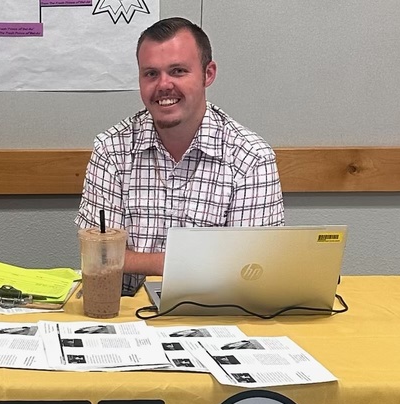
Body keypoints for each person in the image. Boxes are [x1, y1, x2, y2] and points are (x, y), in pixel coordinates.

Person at [76, 17, 284, 296]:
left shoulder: (251, 158)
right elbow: (98, 256)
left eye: (178, 71)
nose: (164, 85)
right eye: (151, 73)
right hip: (124, 316)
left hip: (216, 314)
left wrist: (136, 260)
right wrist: (194, 262)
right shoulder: (111, 150)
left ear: (208, 74)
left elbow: (251, 267)